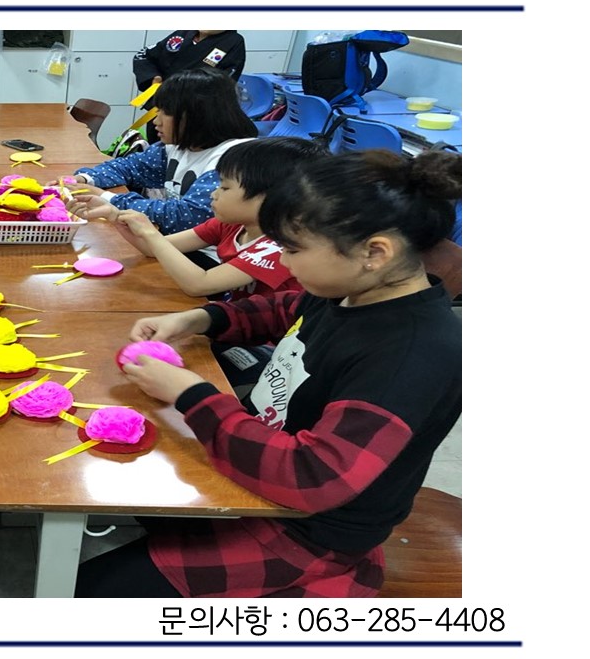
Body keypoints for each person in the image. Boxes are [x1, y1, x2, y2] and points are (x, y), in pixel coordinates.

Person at [74, 150, 462, 598]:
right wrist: (199, 319)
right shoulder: (350, 291)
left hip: (305, 529)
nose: (285, 263)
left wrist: (192, 394)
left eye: (293, 250)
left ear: (374, 252)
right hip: (257, 467)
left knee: (89, 593)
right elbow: (283, 309)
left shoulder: (413, 355)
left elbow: (314, 476)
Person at [67, 68, 258, 263]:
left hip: (208, 256)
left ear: (196, 116)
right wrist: (85, 179)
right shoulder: (178, 144)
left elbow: (183, 217)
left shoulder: (234, 159)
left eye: (165, 112)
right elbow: (131, 167)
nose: (155, 121)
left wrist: (108, 198)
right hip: (168, 242)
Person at [110, 137, 327, 300]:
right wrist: (115, 217)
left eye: (225, 187)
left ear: (269, 197)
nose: (213, 194)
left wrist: (149, 232)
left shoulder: (278, 247)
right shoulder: (233, 225)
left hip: (262, 341)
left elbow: (198, 285)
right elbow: (153, 249)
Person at [133, 31, 247, 143]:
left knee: (188, 147)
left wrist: (179, 92)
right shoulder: (182, 34)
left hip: (196, 111)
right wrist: (153, 77)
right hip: (162, 105)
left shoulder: (233, 41)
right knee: (158, 145)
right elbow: (144, 56)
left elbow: (221, 82)